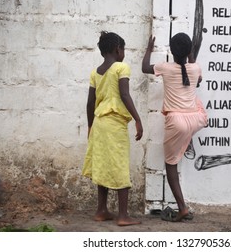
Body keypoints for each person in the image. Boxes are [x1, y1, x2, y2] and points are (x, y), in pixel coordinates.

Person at [142, 33, 207, 222]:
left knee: (171, 165)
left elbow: (145, 67)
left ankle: (182, 208)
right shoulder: (195, 69)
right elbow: (198, 79)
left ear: (171, 51)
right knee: (195, 102)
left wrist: (149, 49)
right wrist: (191, 55)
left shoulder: (165, 67)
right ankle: (187, 138)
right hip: (197, 119)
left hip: (177, 121)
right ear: (189, 52)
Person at [82, 31, 143, 226]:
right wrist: (137, 119)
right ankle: (123, 215)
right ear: (118, 50)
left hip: (99, 123)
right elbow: (125, 95)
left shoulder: (95, 72)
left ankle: (101, 210)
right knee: (119, 164)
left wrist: (90, 125)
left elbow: (90, 103)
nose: (123, 53)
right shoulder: (121, 67)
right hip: (114, 123)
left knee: (102, 164)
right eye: (123, 49)